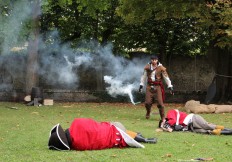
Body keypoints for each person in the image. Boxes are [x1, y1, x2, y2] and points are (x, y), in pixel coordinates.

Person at [48, 118, 157, 151]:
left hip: (113, 138)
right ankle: (140, 137)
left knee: (121, 133)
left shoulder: (78, 146)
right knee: (119, 129)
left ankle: (138, 136)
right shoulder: (77, 122)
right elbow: (93, 123)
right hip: (115, 129)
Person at [139, 55, 174, 125]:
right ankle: (148, 112)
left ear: (157, 60)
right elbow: (144, 76)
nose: (154, 61)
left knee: (160, 104)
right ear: (151, 60)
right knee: (147, 103)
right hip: (149, 86)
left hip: (158, 87)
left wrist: (170, 86)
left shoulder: (161, 68)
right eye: (152, 60)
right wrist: (141, 85)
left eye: (155, 60)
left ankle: (163, 117)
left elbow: (166, 77)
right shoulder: (147, 67)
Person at [160, 109, 232, 135]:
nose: (164, 124)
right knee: (207, 131)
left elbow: (172, 120)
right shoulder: (171, 125)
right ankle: (228, 133)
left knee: (207, 126)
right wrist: (165, 128)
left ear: (164, 119)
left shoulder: (170, 113)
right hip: (191, 127)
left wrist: (165, 125)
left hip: (193, 118)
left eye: (163, 123)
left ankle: (229, 129)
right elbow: (172, 129)